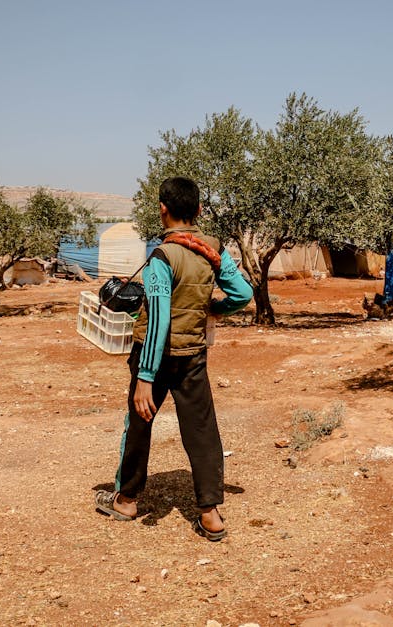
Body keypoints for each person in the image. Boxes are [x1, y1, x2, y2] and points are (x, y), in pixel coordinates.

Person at [94, 176, 252, 542]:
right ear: (198, 210)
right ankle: (210, 514)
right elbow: (242, 293)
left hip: (157, 359)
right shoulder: (212, 250)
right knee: (201, 430)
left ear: (162, 209)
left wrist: (146, 377)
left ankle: (127, 500)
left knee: (139, 424)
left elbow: (159, 318)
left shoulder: (162, 256)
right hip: (193, 355)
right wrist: (215, 308)